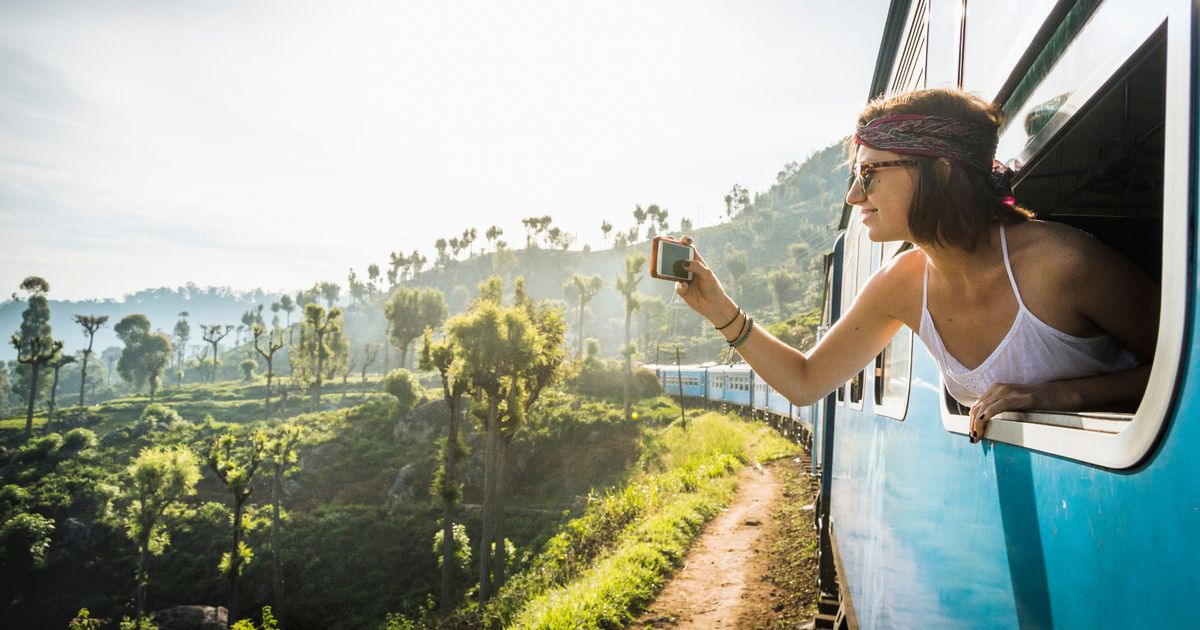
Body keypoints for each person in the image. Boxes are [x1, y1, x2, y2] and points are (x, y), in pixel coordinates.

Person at [676, 88, 1158, 444]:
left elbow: (1187, 371)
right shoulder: (901, 284)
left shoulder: (1062, 262)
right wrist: (721, 310)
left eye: (869, 173)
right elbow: (805, 382)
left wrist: (1064, 398)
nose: (853, 196)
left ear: (942, 170)